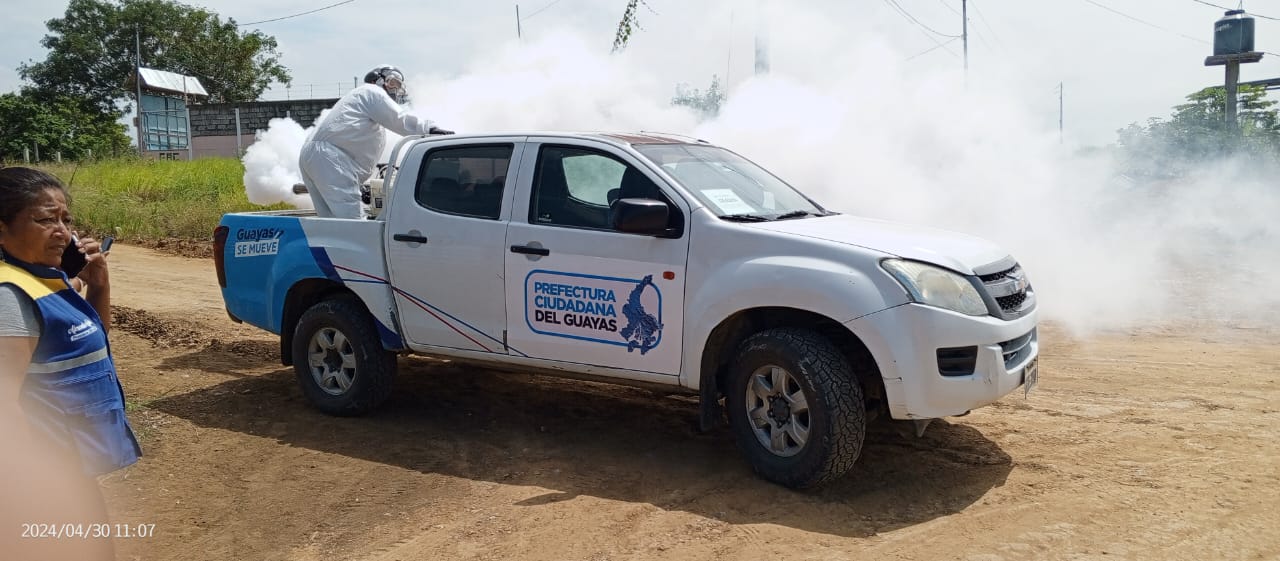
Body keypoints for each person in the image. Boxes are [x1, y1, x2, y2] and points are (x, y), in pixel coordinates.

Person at [0, 166, 141, 560]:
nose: (62, 231)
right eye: (46, 219)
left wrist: (99, 282)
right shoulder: (10, 297)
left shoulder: (46, 279)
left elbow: (88, 339)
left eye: (65, 219)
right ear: (3, 229)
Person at [299, 64, 454, 218]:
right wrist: (430, 128)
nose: (394, 90)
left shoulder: (361, 102)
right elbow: (399, 119)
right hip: (330, 159)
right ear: (377, 79)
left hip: (315, 157)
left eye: (398, 87)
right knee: (352, 223)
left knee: (330, 221)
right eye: (392, 82)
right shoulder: (372, 91)